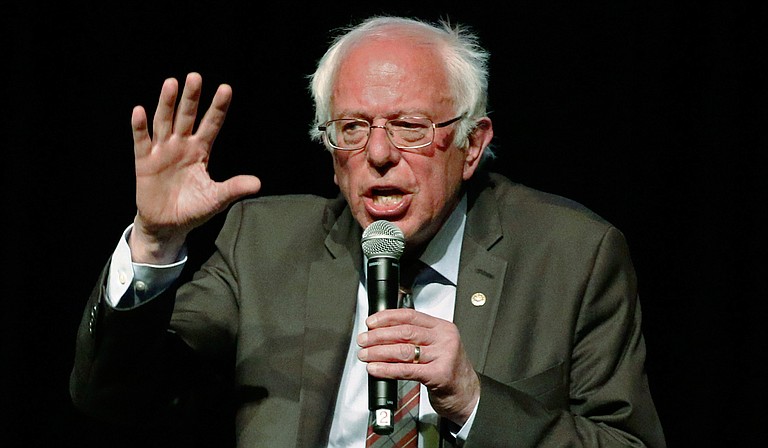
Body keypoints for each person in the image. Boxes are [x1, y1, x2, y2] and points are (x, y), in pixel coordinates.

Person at [70, 15, 666, 447]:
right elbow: (114, 395)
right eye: (352, 127)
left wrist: (474, 402)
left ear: (472, 145)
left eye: (410, 127)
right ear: (331, 153)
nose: (378, 154)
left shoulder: (573, 255)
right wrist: (154, 243)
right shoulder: (263, 242)